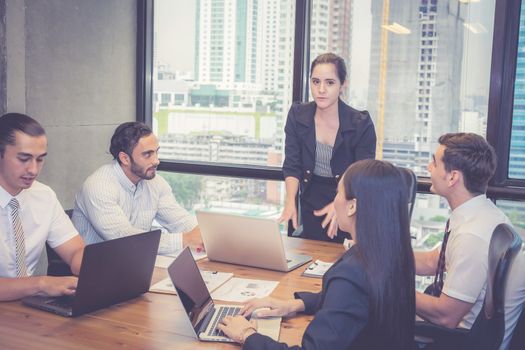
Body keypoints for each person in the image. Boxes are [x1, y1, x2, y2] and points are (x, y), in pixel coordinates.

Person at [218, 159, 415, 349]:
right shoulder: (392, 253)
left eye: (338, 192)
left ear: (352, 205)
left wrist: (248, 335)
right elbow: (352, 303)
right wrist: (293, 304)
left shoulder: (353, 273)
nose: (334, 199)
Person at [415, 133, 525, 349]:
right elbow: (432, 262)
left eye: (435, 163)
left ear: (452, 177)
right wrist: (380, 253)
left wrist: (392, 287)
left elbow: (446, 316)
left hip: (457, 339)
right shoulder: (482, 213)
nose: (429, 168)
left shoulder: (472, 235)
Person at [280, 52, 376, 242]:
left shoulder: (360, 124)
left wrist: (339, 203)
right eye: (316, 82)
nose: (321, 89)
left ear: (343, 84)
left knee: (340, 261)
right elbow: (292, 164)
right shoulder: (297, 115)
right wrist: (290, 201)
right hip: (309, 199)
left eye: (330, 82)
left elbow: (362, 176)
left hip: (349, 202)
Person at [72, 122, 201, 254]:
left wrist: (206, 234)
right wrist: (185, 239)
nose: (156, 161)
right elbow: (124, 239)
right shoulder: (99, 186)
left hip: (135, 263)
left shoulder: (155, 183)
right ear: (125, 158)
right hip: (95, 269)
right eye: (147, 154)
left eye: (156, 152)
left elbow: (180, 221)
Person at [0, 113, 84, 301]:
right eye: (24, 159)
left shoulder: (44, 196)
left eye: (40, 159)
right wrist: (40, 284)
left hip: (28, 311)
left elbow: (75, 251)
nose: (33, 170)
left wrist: (91, 269)